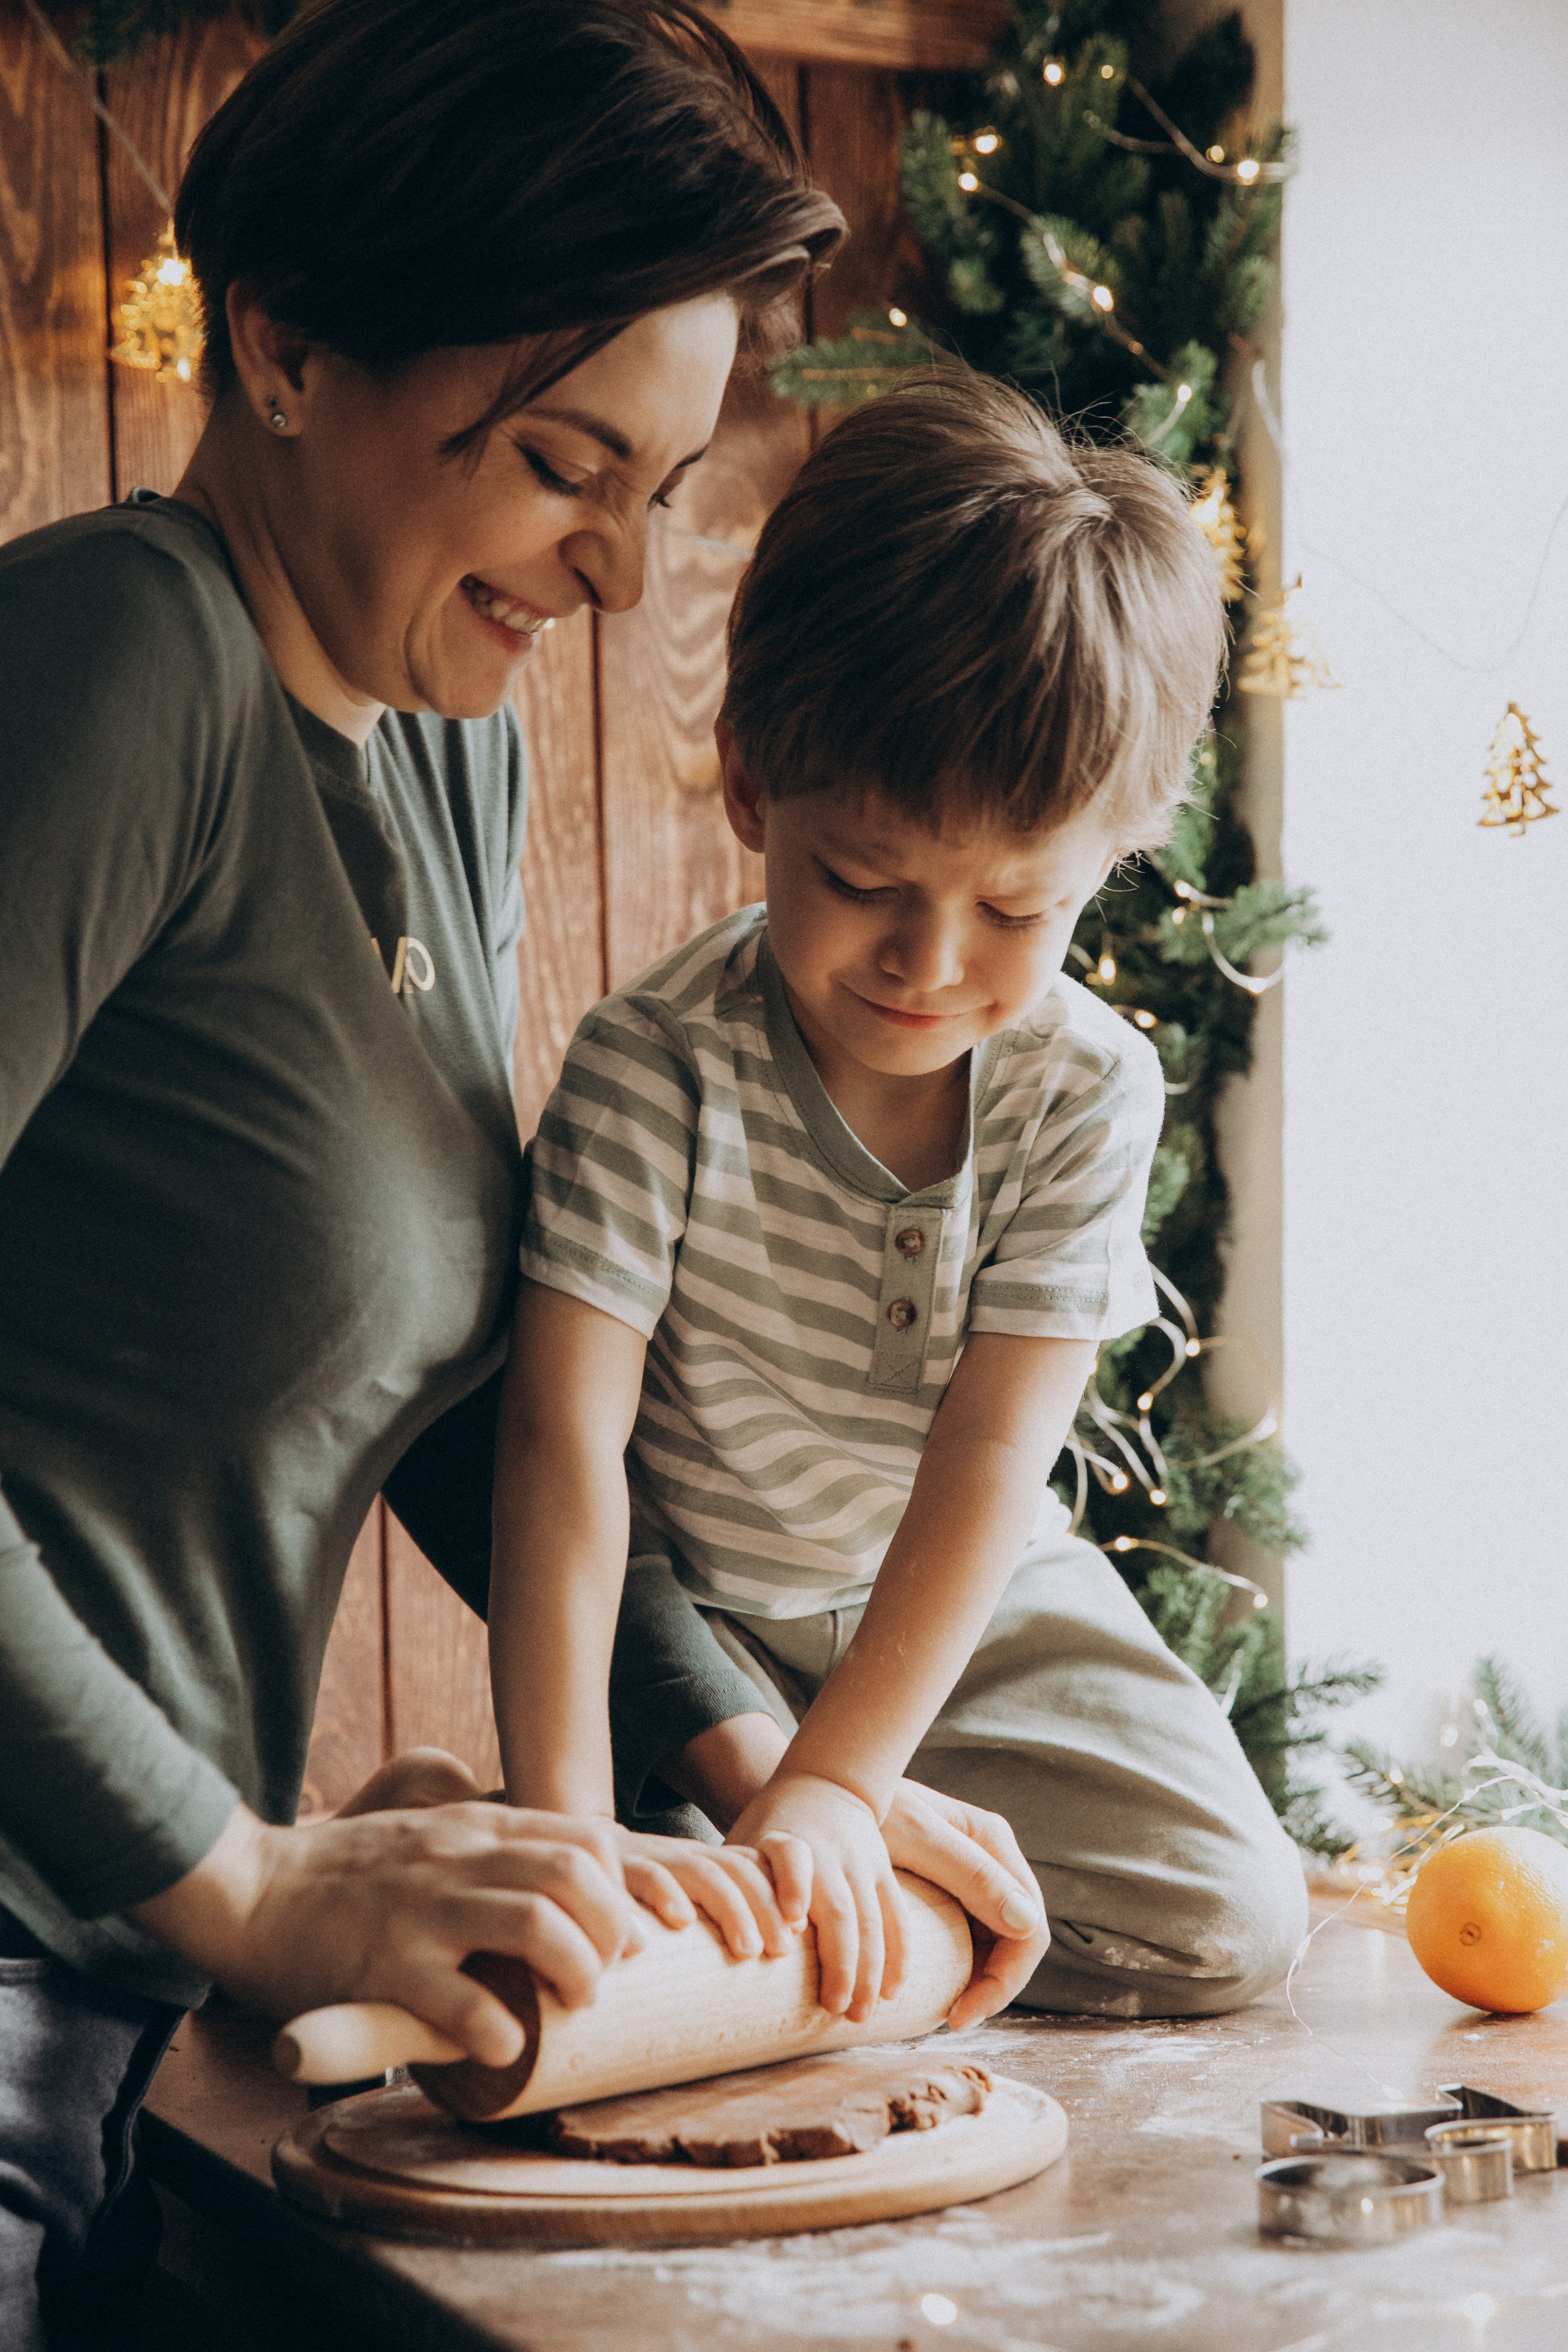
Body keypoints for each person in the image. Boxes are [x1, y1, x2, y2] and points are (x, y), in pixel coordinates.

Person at [0, 2, 853, 2340]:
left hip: (98, 1998)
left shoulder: (423, 743)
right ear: (280, 350)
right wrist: (253, 1883)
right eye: (567, 463)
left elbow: (480, 1376)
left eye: (657, 496)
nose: (609, 576)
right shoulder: (113, 672)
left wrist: (762, 1759)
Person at [492, 374, 1310, 2030]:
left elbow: (993, 1460)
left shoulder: (1086, 1091)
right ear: (749, 786)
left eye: (1016, 907)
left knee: (1234, 1916)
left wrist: (841, 1788)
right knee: (623, 1897)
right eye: (863, 880)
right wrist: (563, 1835)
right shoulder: (658, 1068)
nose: (930, 968)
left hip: (962, 1595)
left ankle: (809, 1889)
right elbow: (561, 1454)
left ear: (1112, 862)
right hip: (707, 1619)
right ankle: (722, 1863)